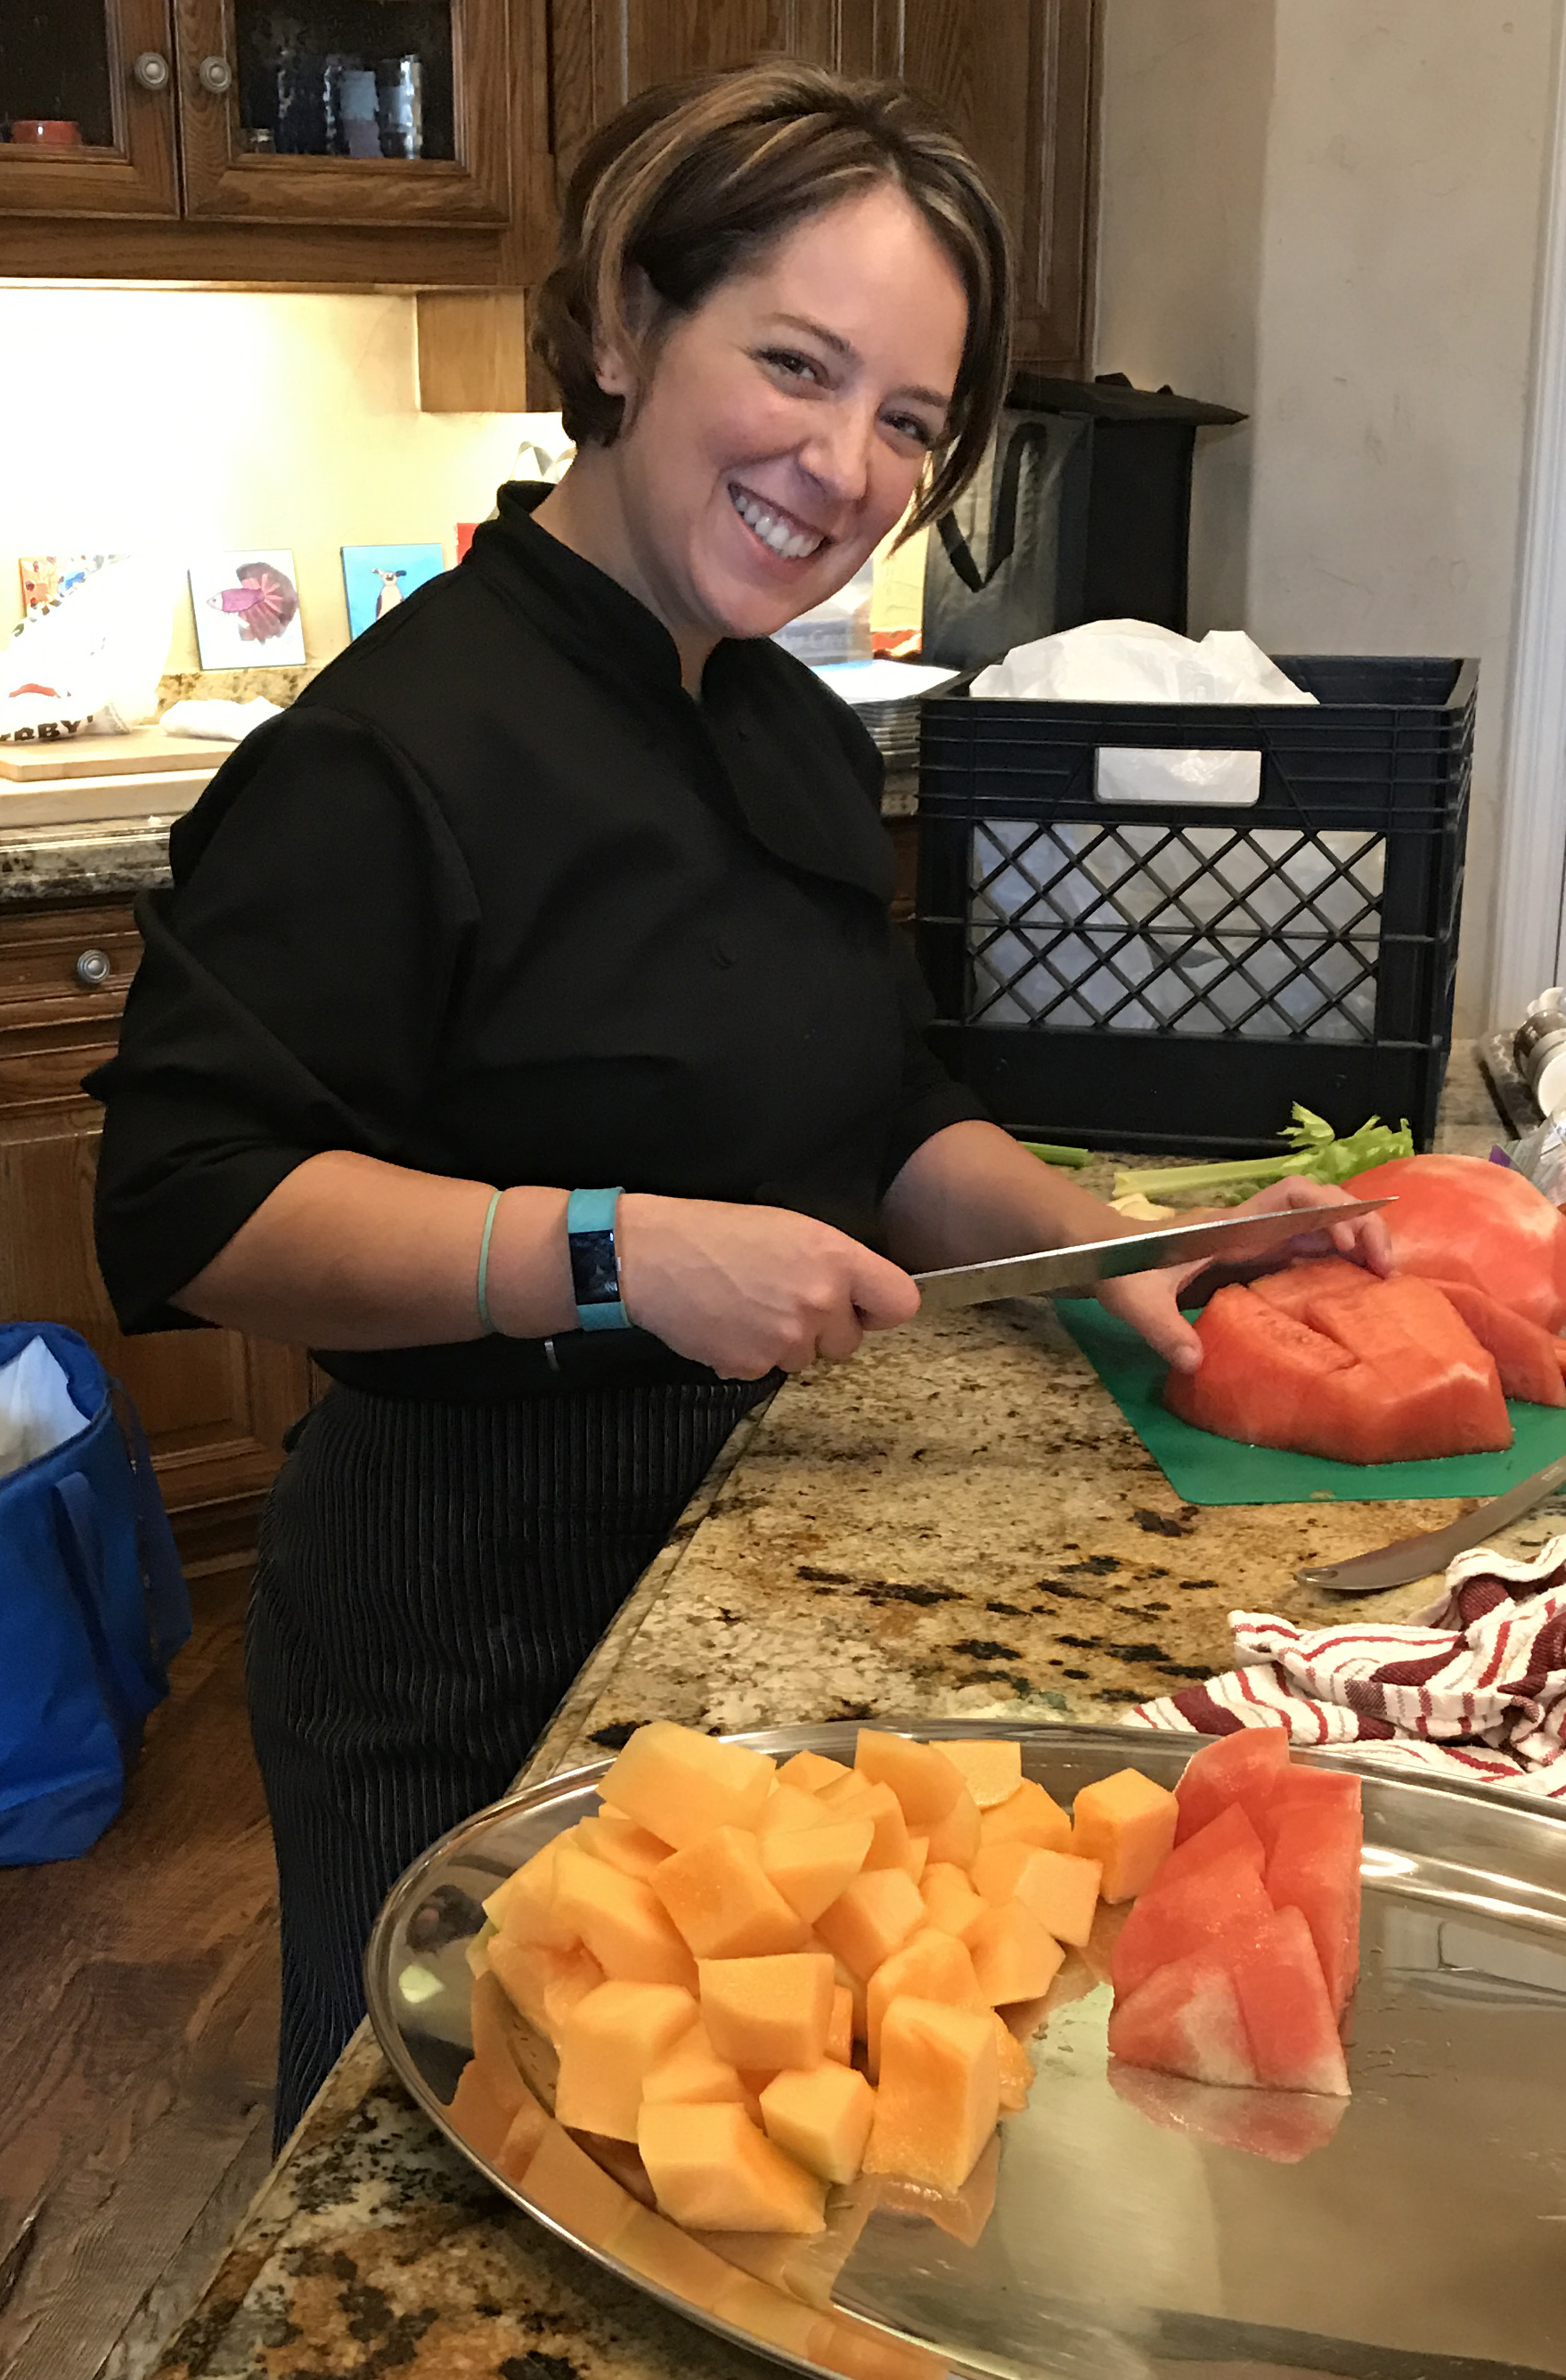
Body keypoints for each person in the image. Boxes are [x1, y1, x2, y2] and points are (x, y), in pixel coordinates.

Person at [88, 62, 1388, 2147]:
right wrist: (613, 1249)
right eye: (795, 362)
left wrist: (1105, 1249)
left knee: (733, 2149)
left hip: (748, 1552)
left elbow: (877, 1099)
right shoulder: (389, 752)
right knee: (459, 2150)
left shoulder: (782, 725)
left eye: (908, 417)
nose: (847, 462)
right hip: (463, 1602)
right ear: (622, 326)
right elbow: (182, 1199)